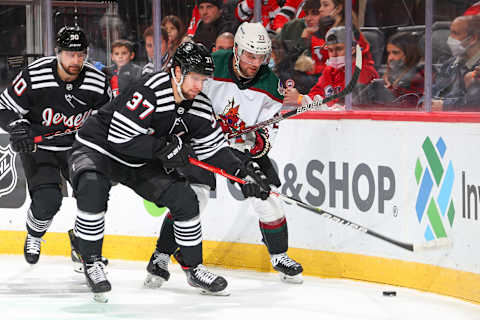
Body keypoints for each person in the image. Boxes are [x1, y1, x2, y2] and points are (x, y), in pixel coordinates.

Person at [69, 42, 269, 298]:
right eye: (195, 78)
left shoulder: (200, 106)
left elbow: (214, 150)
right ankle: (92, 262)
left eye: (203, 79)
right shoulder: (150, 91)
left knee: (185, 199)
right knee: (92, 188)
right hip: (99, 149)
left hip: (139, 160)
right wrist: (163, 147)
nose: (199, 86)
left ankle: (194, 268)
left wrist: (243, 175)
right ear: (177, 72)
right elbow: (121, 138)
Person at [202, 22, 304, 283]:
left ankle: (279, 255)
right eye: (249, 55)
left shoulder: (271, 85)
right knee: (192, 197)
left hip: (239, 150)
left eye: (261, 56)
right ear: (236, 50)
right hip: (202, 142)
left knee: (267, 197)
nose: (255, 62)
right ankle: (161, 255)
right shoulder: (211, 65)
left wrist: (255, 144)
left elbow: (270, 130)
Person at [0, 26, 111, 265]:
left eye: (81, 54)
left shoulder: (97, 81)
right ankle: (35, 234)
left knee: (95, 195)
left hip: (78, 148)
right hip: (41, 147)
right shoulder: (34, 75)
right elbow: (5, 108)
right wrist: (18, 127)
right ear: (57, 52)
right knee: (48, 202)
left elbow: (108, 116)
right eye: (70, 54)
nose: (76, 60)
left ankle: (81, 242)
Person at [283, 26, 378, 108]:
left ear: (352, 50)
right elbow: (316, 93)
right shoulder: (330, 70)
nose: (334, 54)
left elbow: (342, 105)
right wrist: (302, 99)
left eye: (339, 49)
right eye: (330, 50)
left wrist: (302, 100)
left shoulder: (363, 71)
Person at [430, 15, 480, 111]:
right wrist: (424, 102)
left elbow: (475, 102)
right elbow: (434, 89)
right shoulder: (451, 63)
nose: (450, 38)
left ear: (473, 38)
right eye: (450, 33)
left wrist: (445, 106)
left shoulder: (477, 69)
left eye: (455, 33)